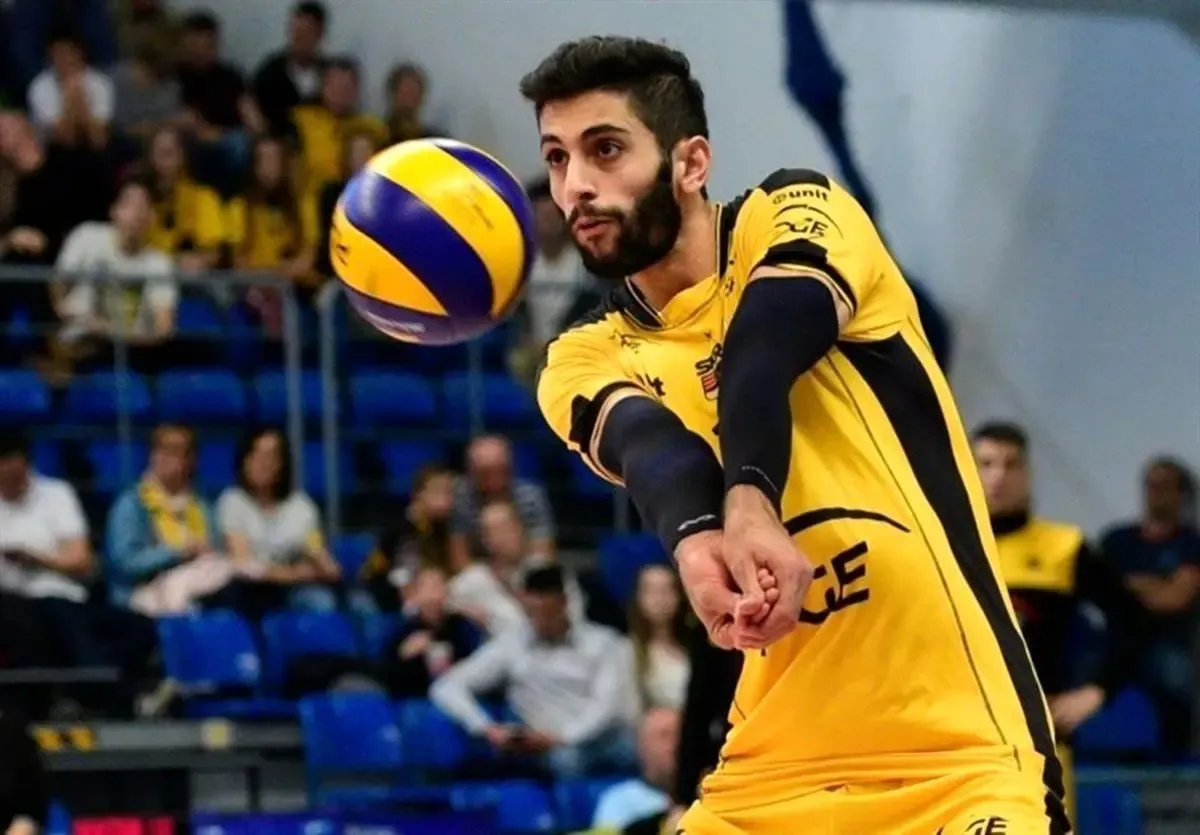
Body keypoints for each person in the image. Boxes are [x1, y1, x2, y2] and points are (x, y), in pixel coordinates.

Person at [524, 36, 1068, 834]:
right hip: (769, 780)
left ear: (691, 161)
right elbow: (653, 449)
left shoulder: (799, 210)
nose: (576, 184)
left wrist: (751, 500)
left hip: (959, 759)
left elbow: (765, 343)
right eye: (557, 157)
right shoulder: (580, 355)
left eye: (605, 149)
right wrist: (697, 542)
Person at [973, 421, 1150, 822]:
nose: (999, 476)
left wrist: (1097, 690)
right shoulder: (944, 545)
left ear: (1028, 473)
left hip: (1041, 739)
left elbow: (1133, 622)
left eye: (1011, 464)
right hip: (961, 737)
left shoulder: (1063, 547)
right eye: (986, 463)